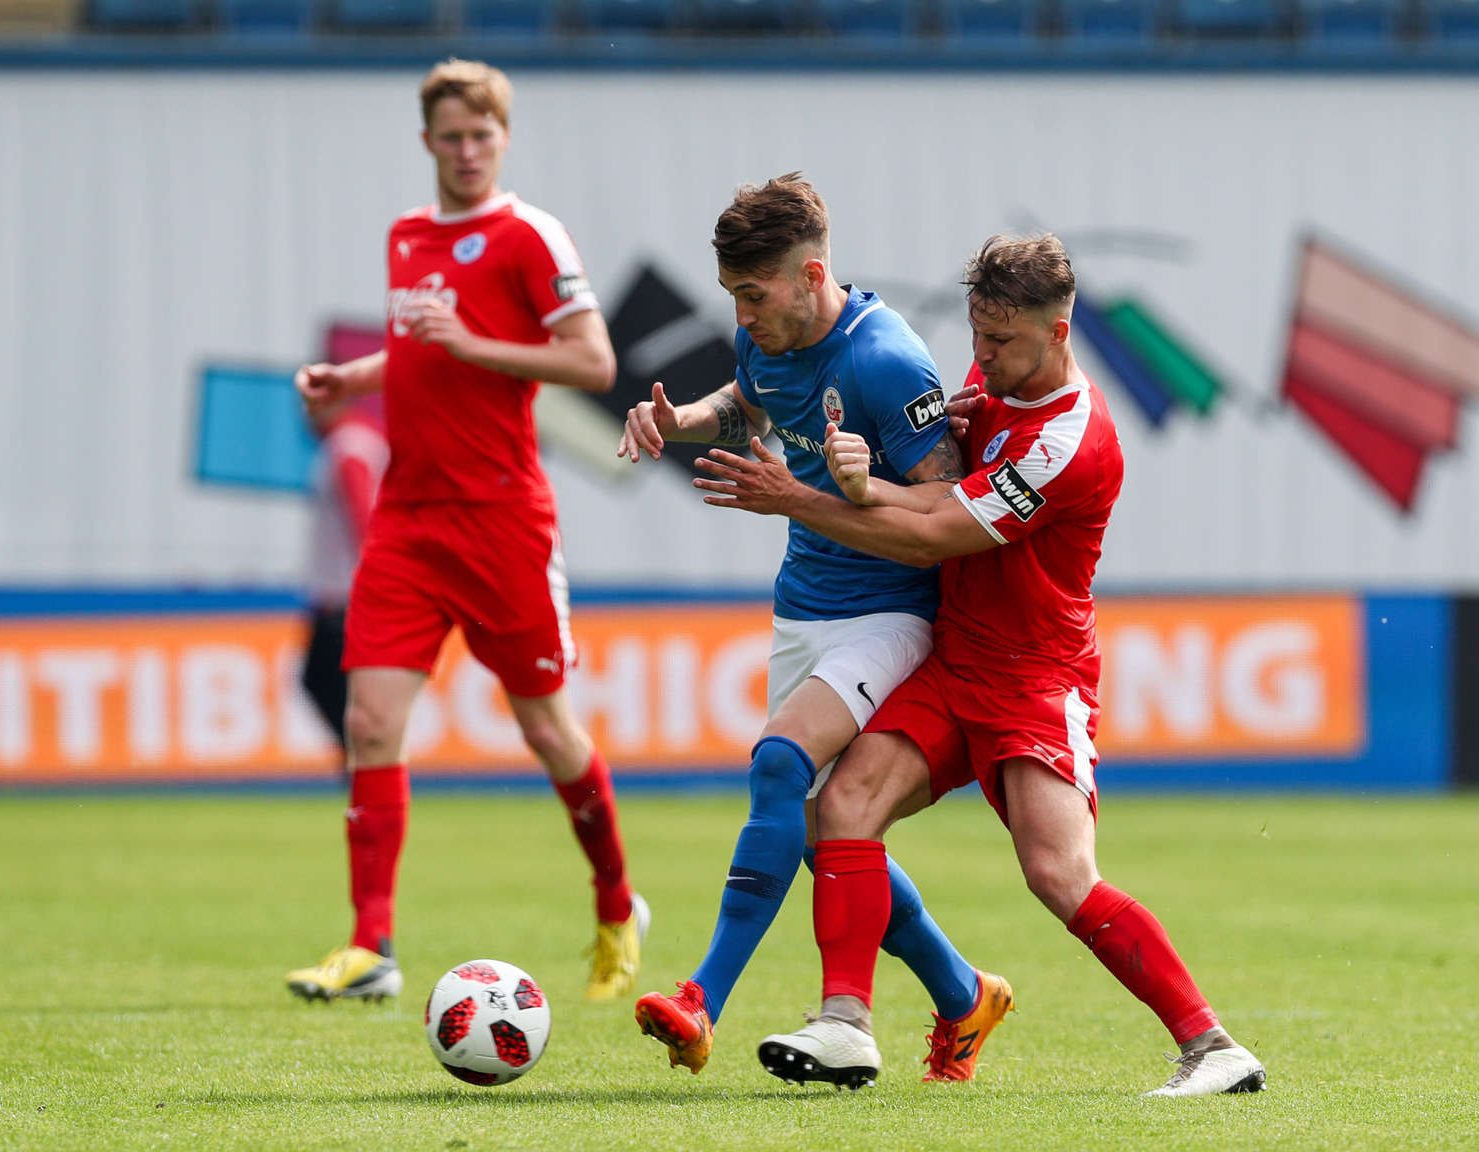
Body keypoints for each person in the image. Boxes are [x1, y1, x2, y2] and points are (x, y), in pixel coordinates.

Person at [695, 233, 1266, 1097]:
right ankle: (844, 1022)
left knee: (1058, 875)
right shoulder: (988, 389)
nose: (981, 357)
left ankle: (1212, 1045)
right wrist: (866, 484)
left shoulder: (1070, 443)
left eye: (1000, 342)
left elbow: (937, 531)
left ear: (1060, 329)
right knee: (842, 807)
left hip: (1036, 679)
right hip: (956, 659)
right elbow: (935, 493)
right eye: (976, 334)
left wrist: (807, 497)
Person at [616, 174, 1010, 1081]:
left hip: (891, 612)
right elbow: (754, 398)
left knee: (779, 765)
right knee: (815, 832)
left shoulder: (886, 361)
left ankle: (700, 1000)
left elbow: (951, 504)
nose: (744, 317)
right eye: (734, 299)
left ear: (811, 274)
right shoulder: (770, 335)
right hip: (804, 611)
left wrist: (860, 480)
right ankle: (962, 993)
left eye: (754, 297)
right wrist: (684, 420)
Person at [286, 57, 647, 1005]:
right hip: (409, 521)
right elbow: (419, 353)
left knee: (547, 730)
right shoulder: (407, 236)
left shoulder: (529, 235)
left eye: (481, 135)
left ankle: (616, 901)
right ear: (427, 142)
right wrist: (352, 380)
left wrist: (472, 344)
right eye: (450, 136)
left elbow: (592, 359)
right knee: (369, 723)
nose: (467, 150)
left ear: (503, 138)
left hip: (501, 520)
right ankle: (372, 948)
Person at [299, 393, 388, 770]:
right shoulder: (361, 441)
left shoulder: (348, 446)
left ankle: (365, 763)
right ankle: (363, 761)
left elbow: (363, 516)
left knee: (325, 683)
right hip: (347, 593)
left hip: (348, 596)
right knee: (335, 687)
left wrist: (376, 579)